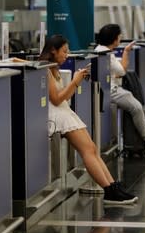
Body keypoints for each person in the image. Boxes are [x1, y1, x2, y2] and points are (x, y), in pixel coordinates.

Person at [40, 34, 137, 205]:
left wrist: (76, 81)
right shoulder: (46, 70)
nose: (66, 55)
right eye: (64, 51)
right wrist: (75, 82)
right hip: (58, 115)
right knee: (87, 151)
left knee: (92, 148)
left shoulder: (55, 69)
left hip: (64, 111)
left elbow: (64, 97)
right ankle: (109, 190)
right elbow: (55, 99)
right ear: (52, 51)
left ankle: (112, 186)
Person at [94, 24, 145, 157]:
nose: (120, 38)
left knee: (134, 103)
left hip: (110, 88)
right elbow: (121, 71)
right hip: (111, 90)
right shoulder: (105, 53)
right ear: (114, 38)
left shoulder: (102, 50)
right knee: (137, 107)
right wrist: (126, 52)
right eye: (119, 36)